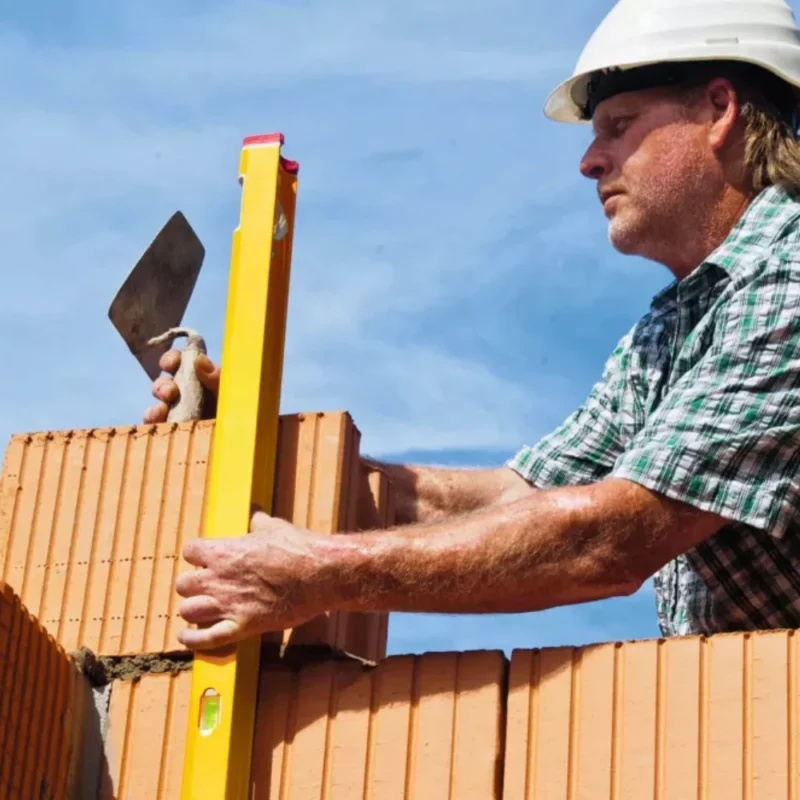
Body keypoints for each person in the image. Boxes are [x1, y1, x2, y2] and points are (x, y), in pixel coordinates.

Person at [145, 0, 800, 651]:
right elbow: (519, 497)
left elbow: (614, 539)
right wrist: (269, 454)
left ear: (719, 110)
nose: (589, 161)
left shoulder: (789, 277)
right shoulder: (670, 330)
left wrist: (322, 573)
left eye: (619, 125)